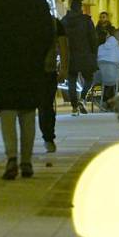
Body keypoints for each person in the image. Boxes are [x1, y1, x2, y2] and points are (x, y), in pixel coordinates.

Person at [0, 0, 55, 180]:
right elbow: (46, 33)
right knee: (28, 113)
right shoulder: (36, 4)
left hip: (3, 65)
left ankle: (11, 157)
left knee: (7, 113)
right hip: (30, 66)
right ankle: (27, 161)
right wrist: (39, 56)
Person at [38, 8, 67, 153]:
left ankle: (26, 140)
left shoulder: (26, 20)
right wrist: (64, 68)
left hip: (28, 70)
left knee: (28, 109)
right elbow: (63, 46)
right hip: (48, 70)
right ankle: (48, 138)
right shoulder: (54, 23)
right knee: (47, 105)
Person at [61, 0, 97, 116]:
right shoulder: (86, 21)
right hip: (85, 54)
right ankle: (82, 99)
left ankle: (74, 108)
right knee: (89, 78)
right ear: (80, 7)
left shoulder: (64, 21)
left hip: (70, 55)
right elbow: (93, 38)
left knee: (71, 80)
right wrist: (94, 53)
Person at [95, 25, 119, 107]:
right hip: (115, 77)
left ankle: (105, 100)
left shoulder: (100, 48)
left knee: (110, 76)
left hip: (102, 78)